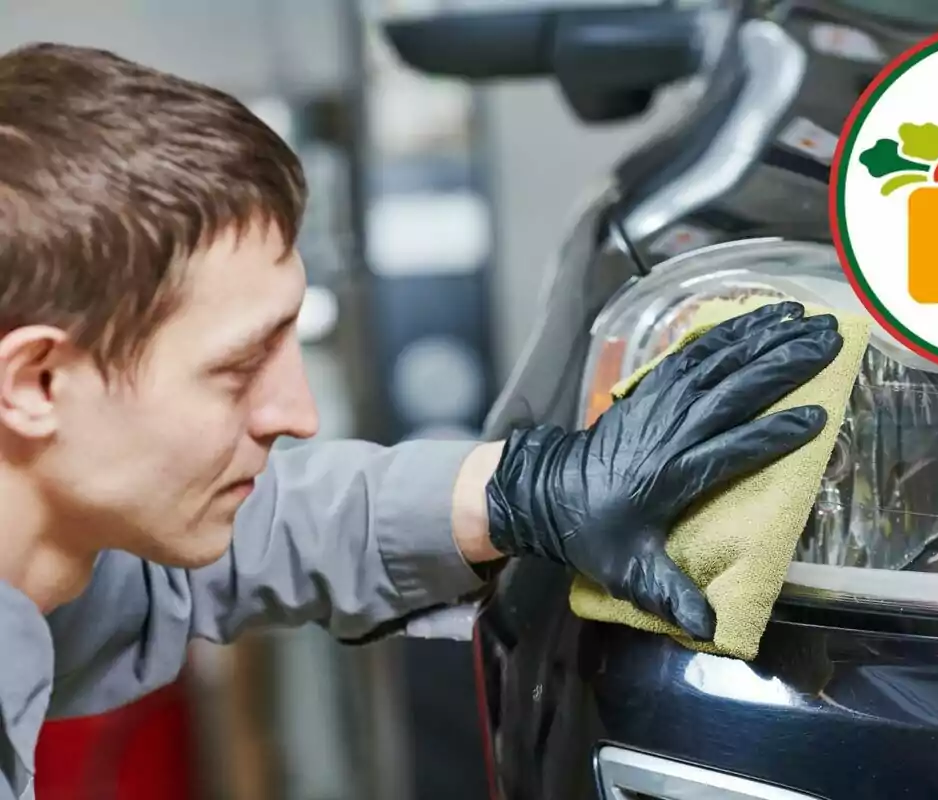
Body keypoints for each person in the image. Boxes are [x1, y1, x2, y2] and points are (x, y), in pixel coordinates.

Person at [0, 42, 843, 799]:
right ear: (36, 380)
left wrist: (525, 491)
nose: (298, 414)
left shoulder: (60, 549)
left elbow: (250, 540)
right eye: (234, 369)